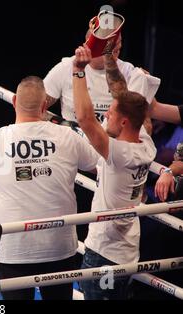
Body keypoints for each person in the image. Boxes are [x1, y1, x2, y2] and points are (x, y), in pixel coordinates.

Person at [0, 76, 100, 300]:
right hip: (58, 248)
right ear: (45, 104)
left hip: (13, 250)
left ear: (14, 101)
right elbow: (100, 165)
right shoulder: (67, 137)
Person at [72, 43, 157, 300]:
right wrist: (109, 57)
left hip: (104, 254)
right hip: (128, 251)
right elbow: (128, 101)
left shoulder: (119, 154)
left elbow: (85, 119)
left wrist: (78, 70)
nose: (105, 113)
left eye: (111, 112)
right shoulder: (146, 143)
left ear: (123, 122)